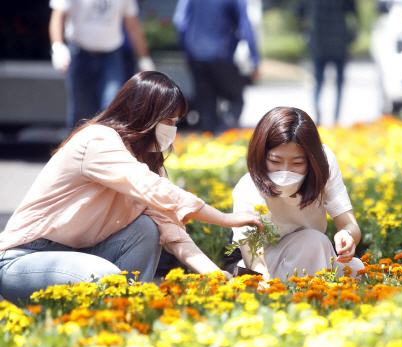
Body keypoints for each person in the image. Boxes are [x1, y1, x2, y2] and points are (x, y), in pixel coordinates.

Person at [0, 71, 262, 306]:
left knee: (146, 228)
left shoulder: (147, 164)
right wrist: (226, 219)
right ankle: (122, 312)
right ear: (142, 114)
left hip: (79, 256)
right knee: (107, 279)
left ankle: (129, 316)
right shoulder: (97, 140)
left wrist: (216, 275)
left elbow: (173, 232)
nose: (172, 130)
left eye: (176, 121)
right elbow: (154, 188)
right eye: (167, 121)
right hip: (24, 259)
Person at [230, 106, 364, 281]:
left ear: (312, 160)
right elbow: (254, 257)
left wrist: (347, 236)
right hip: (268, 261)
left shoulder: (325, 166)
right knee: (313, 242)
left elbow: (350, 225)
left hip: (313, 251)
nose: (286, 171)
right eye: (275, 161)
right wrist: (265, 283)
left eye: (297, 163)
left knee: (354, 268)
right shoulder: (248, 188)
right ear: (260, 156)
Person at [49, 0, 156, 130]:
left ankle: (107, 149)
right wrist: (57, 46)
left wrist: (143, 57)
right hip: (79, 55)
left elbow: (132, 24)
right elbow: (58, 16)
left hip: (110, 58)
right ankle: (78, 149)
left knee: (112, 110)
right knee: (81, 113)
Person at [173, 0, 260, 134]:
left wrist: (186, 51)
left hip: (196, 56)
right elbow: (245, 26)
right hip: (222, 56)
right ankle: (224, 133)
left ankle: (209, 141)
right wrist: (254, 59)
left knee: (206, 102)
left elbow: (180, 22)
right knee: (236, 98)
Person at [297, 0, 359, 126]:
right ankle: (335, 117)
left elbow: (300, 14)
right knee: (339, 83)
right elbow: (354, 14)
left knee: (318, 81)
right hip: (339, 41)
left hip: (319, 41)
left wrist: (305, 33)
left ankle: (318, 113)